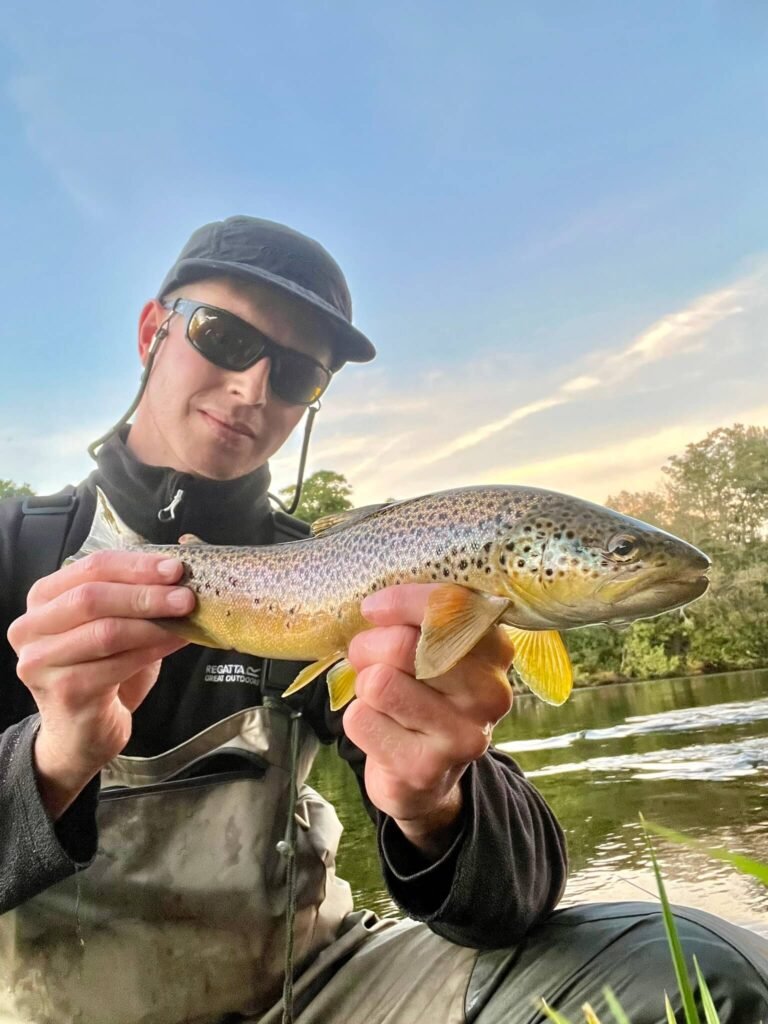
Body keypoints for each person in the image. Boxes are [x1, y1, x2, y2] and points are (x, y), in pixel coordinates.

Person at [1, 216, 766, 1024]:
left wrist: (436, 803)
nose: (255, 387)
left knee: (700, 971)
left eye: (297, 374)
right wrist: (51, 763)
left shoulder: (352, 569)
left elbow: (518, 904)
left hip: (316, 993)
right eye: (223, 336)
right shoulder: (20, 551)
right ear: (154, 330)